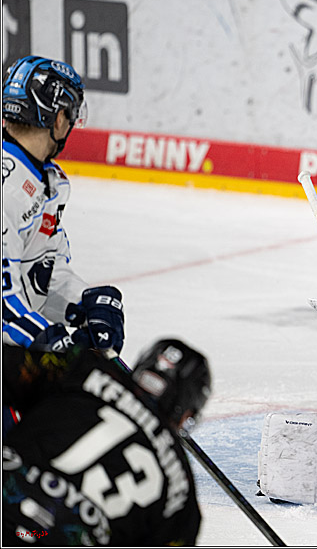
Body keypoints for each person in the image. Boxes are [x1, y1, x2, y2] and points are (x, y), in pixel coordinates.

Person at [2, 337, 210, 545]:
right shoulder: (181, 490)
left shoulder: (86, 368)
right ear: (186, 411)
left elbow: (8, 365)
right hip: (50, 539)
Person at [2, 56, 125, 360]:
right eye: (70, 116)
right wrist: (48, 339)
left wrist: (83, 303)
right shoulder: (7, 188)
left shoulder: (46, 180)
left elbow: (43, 269)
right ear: (58, 118)